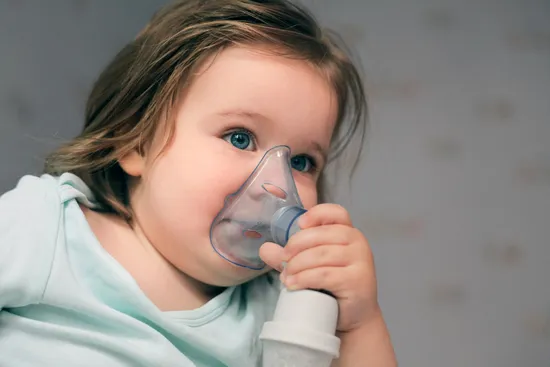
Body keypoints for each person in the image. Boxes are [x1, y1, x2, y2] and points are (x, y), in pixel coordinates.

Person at [0, 0, 397, 366]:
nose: (278, 186)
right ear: (134, 140)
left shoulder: (281, 303)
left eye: (300, 162)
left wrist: (359, 325)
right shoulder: (48, 228)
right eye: (239, 137)